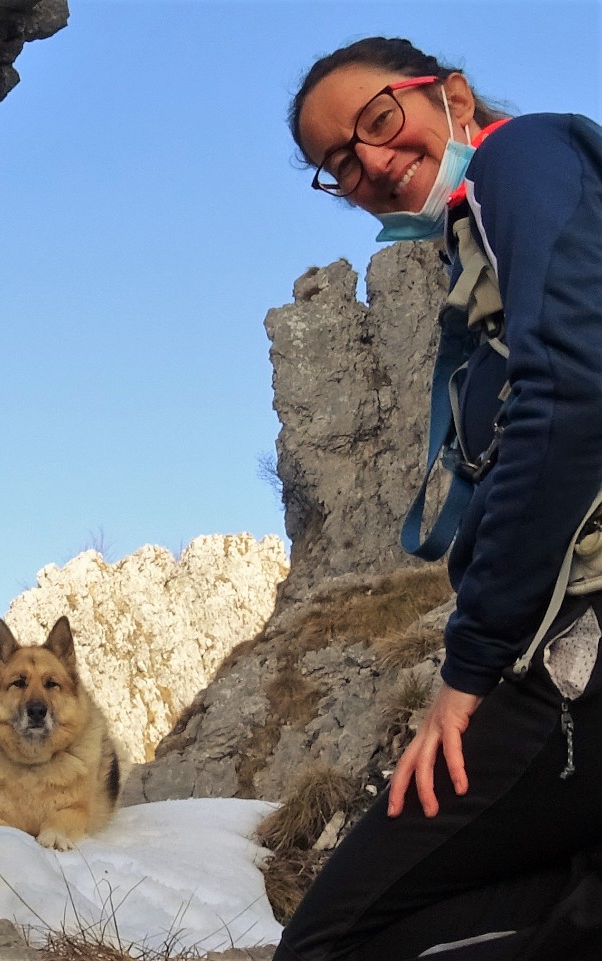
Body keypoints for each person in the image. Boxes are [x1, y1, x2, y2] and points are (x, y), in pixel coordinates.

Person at [274, 37, 602, 961]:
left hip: (584, 650)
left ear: (452, 93)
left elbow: (573, 389)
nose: (370, 164)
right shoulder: (481, 241)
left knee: (331, 943)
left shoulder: (519, 153)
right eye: (337, 166)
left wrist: (468, 668)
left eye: (377, 121)